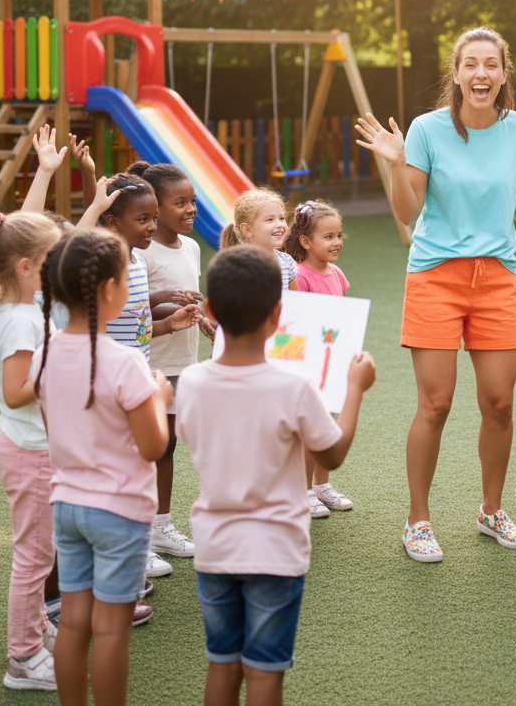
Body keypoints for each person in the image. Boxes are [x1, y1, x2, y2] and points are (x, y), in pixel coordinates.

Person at [355, 25, 516, 563]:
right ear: (456, 73)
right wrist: (396, 162)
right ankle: (418, 520)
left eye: (491, 64)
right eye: (471, 64)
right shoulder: (427, 129)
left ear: (504, 73)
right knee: (436, 403)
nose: (481, 73)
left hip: (496, 278)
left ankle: (492, 511)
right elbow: (407, 212)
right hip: (435, 276)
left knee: (500, 402)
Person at [176, 245, 376, 706]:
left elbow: (188, 432)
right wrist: (355, 391)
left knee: (222, 664)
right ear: (278, 316)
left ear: (210, 311)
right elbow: (333, 454)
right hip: (276, 551)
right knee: (265, 671)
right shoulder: (294, 388)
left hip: (215, 548)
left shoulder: (192, 382)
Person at [34, 229, 174, 706]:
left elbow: (55, 429)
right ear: (111, 289)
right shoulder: (126, 363)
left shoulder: (45, 352)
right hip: (119, 510)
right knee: (112, 629)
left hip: (67, 506)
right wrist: (160, 401)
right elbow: (153, 447)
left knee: (74, 621)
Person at [97, 173, 201, 581]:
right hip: (120, 382)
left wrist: (170, 322)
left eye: (153, 218)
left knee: (156, 453)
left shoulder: (138, 260)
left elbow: (139, 324)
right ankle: (131, 546)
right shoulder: (107, 265)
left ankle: (152, 531)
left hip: (147, 375)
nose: (152, 226)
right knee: (129, 463)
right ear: (113, 222)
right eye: (144, 219)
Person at [0, 209, 63, 691]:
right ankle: (23, 657)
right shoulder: (18, 321)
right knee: (34, 558)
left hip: (35, 446)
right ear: (25, 266)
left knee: (42, 552)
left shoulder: (24, 309)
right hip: (29, 450)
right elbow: (17, 392)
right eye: (53, 258)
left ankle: (34, 629)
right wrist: (61, 369)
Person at [132, 161, 215, 563]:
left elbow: (189, 299)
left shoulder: (192, 247)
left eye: (192, 201)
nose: (191, 209)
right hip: (150, 366)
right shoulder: (139, 254)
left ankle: (160, 527)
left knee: (167, 449)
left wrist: (203, 320)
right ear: (155, 208)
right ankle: (138, 535)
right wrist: (169, 304)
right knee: (145, 451)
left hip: (183, 366)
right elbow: (131, 310)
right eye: (180, 203)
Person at [283, 199, 355, 513]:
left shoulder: (336, 273)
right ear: (305, 241)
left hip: (333, 363)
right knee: (309, 429)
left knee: (327, 427)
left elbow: (343, 317)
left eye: (338, 235)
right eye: (328, 237)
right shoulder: (300, 276)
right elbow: (296, 321)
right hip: (309, 365)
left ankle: (321, 485)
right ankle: (303, 492)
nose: (337, 242)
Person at [221, 189, 300, 293]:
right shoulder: (238, 266)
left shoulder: (287, 262)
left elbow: (295, 297)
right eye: (270, 219)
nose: (280, 224)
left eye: (281, 218)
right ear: (247, 230)